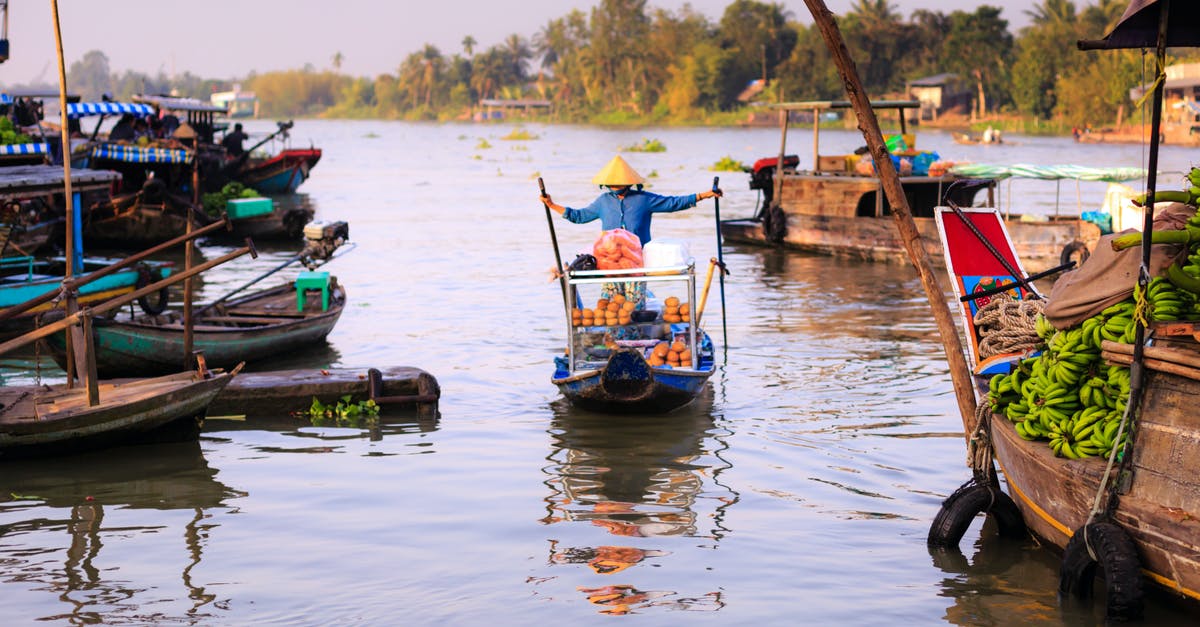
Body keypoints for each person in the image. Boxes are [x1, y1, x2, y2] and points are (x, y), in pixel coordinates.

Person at [539, 155, 721, 245]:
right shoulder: (603, 202)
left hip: (637, 256)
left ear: (628, 183)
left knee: (634, 303)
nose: (616, 185)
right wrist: (551, 205)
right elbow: (578, 216)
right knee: (612, 303)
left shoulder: (643, 200)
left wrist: (705, 194)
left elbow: (673, 203)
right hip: (610, 257)